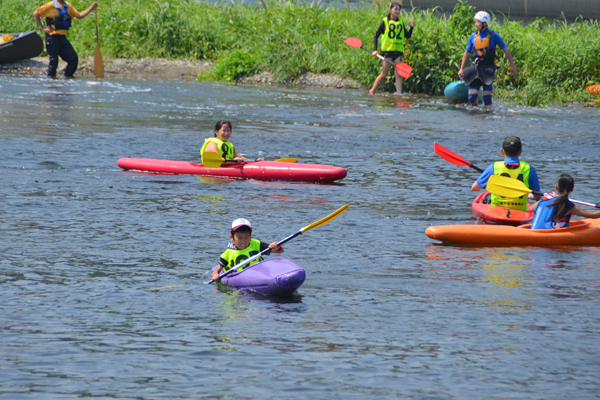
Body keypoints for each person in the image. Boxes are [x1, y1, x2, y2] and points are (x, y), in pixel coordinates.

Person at [457, 11, 517, 109]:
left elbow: (506, 50)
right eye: (475, 22)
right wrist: (461, 68)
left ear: (484, 23)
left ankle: (488, 118)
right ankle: (476, 115)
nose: (476, 24)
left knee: (487, 99)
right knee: (471, 99)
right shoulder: (473, 36)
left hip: (488, 69)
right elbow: (467, 53)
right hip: (475, 68)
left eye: (478, 22)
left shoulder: (494, 36)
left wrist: (512, 66)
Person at [471, 136, 540, 211]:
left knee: (485, 197)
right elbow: (537, 196)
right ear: (520, 151)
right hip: (520, 211)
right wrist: (529, 195)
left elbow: (474, 188)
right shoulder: (529, 168)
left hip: (496, 210)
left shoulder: (494, 167)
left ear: (502, 151)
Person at [33, 0, 98, 78]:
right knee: (54, 61)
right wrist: (42, 27)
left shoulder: (68, 6)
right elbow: (36, 13)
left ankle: (67, 78)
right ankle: (51, 82)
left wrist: (92, 8)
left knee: (73, 59)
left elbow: (79, 15)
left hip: (62, 38)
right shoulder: (50, 5)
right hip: (52, 38)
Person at [211, 218, 283, 282]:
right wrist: (215, 276)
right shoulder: (227, 254)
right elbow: (216, 272)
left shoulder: (256, 244)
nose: (243, 241)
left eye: (247, 237)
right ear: (232, 237)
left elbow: (280, 251)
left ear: (251, 236)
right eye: (239, 238)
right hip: (239, 280)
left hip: (259, 276)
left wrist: (276, 246)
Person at [369, 2, 414, 95]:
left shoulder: (401, 23)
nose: (397, 11)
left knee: (398, 75)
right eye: (395, 9)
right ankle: (372, 91)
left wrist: (411, 27)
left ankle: (399, 94)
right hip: (387, 52)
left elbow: (408, 35)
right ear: (390, 10)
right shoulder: (385, 22)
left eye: (399, 10)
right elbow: (376, 35)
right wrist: (375, 49)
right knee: (384, 74)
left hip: (398, 52)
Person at [531, 174, 600, 229]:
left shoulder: (545, 199)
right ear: (572, 190)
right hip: (547, 236)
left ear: (556, 187)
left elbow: (531, 209)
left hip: (533, 232)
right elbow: (593, 215)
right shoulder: (568, 206)